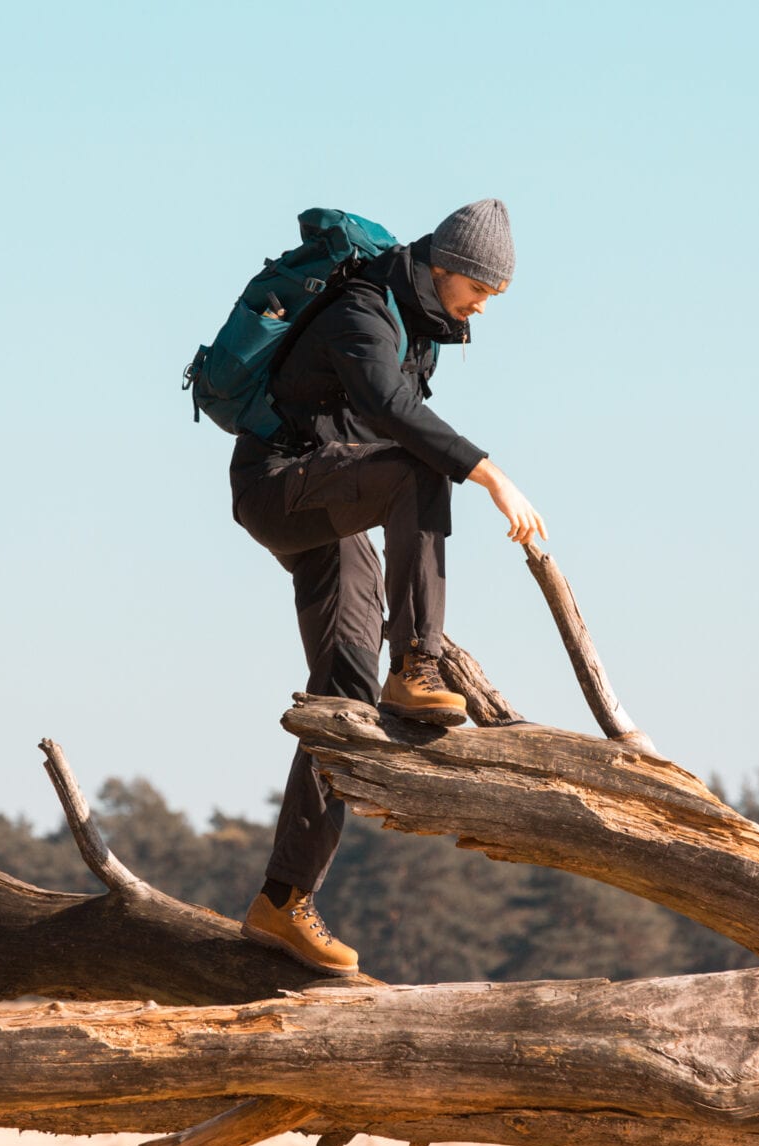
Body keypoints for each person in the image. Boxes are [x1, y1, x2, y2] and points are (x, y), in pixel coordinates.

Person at [228, 199, 546, 974]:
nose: (483, 308)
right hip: (276, 486)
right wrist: (489, 472)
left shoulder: (419, 325)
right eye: (483, 291)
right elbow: (387, 411)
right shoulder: (365, 308)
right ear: (450, 268)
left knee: (341, 694)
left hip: (331, 505)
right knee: (421, 468)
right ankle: (419, 665)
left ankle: (281, 900)